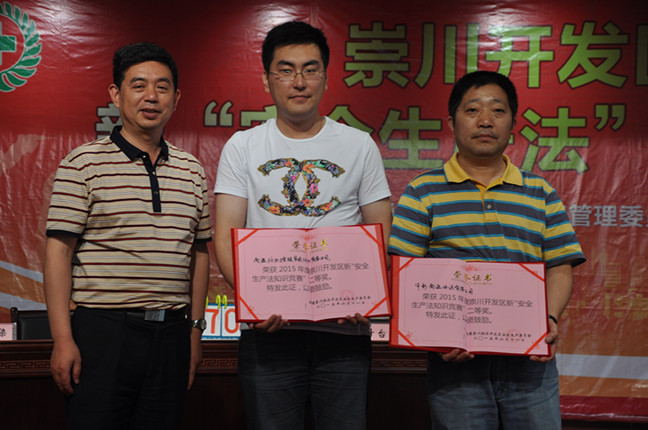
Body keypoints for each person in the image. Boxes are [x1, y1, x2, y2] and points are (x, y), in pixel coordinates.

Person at [213, 21, 392, 430]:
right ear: (267, 80)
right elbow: (225, 237)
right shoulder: (243, 146)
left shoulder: (359, 145)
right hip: (269, 332)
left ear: (325, 77)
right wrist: (252, 303)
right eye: (286, 70)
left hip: (343, 333)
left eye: (310, 70)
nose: (299, 81)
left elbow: (381, 233)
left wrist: (366, 294)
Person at [388, 70, 586, 429]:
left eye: (497, 110)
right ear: (452, 123)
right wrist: (435, 335)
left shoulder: (540, 192)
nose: (485, 121)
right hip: (456, 365)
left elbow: (559, 266)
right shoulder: (422, 191)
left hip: (529, 363)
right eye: (472, 110)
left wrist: (550, 318)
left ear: (513, 124)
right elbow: (403, 272)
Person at [43, 42, 211, 429]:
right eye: (138, 85)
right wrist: (62, 339)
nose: (151, 96)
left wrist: (194, 332)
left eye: (162, 87)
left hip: (172, 334)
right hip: (103, 333)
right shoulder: (82, 163)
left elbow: (199, 254)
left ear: (176, 98)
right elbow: (58, 253)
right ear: (116, 95)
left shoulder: (192, 170)